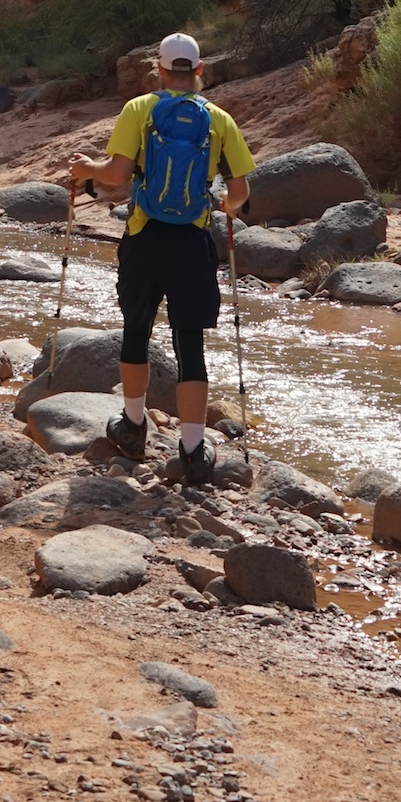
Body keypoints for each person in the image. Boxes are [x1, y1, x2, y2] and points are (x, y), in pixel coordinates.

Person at [69, 30, 255, 487]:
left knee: (136, 329)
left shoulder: (140, 109)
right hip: (190, 242)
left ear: (158, 69)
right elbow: (240, 194)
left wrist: (86, 169)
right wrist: (223, 208)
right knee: (189, 344)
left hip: (144, 236)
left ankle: (132, 428)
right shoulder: (219, 120)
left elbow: (114, 176)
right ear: (198, 70)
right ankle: (193, 450)